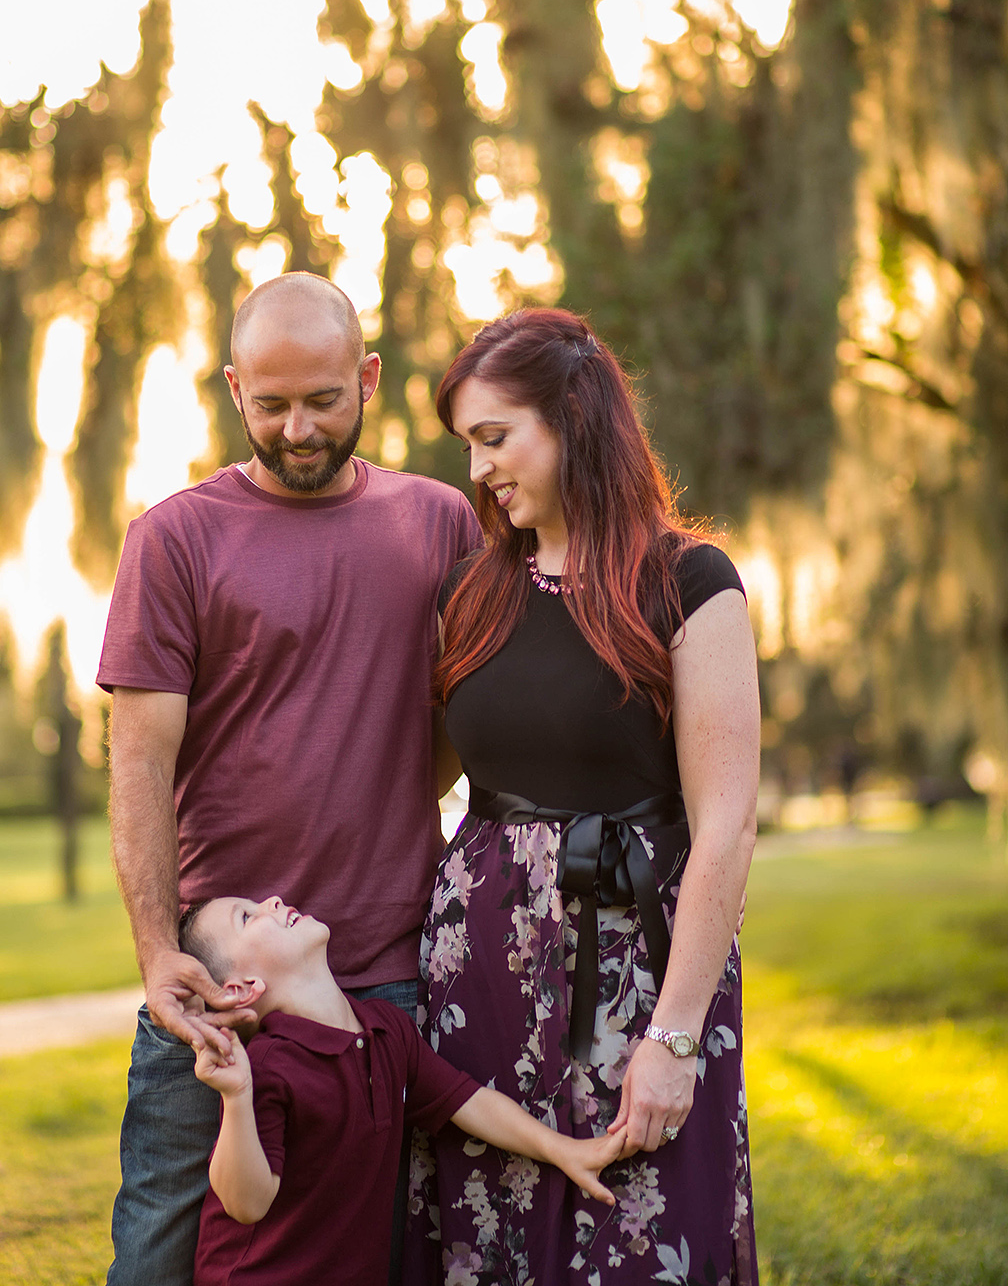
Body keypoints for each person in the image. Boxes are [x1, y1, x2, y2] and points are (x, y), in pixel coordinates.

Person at [97, 272, 482, 1286]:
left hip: (387, 977)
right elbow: (139, 764)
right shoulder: (175, 538)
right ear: (234, 390)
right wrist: (156, 951)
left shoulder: (442, 523)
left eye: (323, 400)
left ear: (369, 379)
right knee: (158, 1252)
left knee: (375, 1257)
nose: (298, 430)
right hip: (216, 982)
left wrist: (387, 781)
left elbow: (467, 723)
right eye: (271, 405)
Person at [405, 307, 762, 1285]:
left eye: (494, 437)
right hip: (477, 986)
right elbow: (417, 785)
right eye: (468, 445)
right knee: (489, 1250)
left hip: (637, 982)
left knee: (642, 1242)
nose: (478, 468)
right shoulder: (469, 594)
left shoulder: (689, 583)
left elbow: (727, 826)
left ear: (572, 416)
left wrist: (675, 1037)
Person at [180, 891, 626, 1285]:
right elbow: (246, 1203)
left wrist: (563, 1150)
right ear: (242, 989)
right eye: (247, 916)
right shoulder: (267, 1067)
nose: (273, 901)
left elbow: (468, 1101)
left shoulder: (387, 1030)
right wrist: (236, 1098)